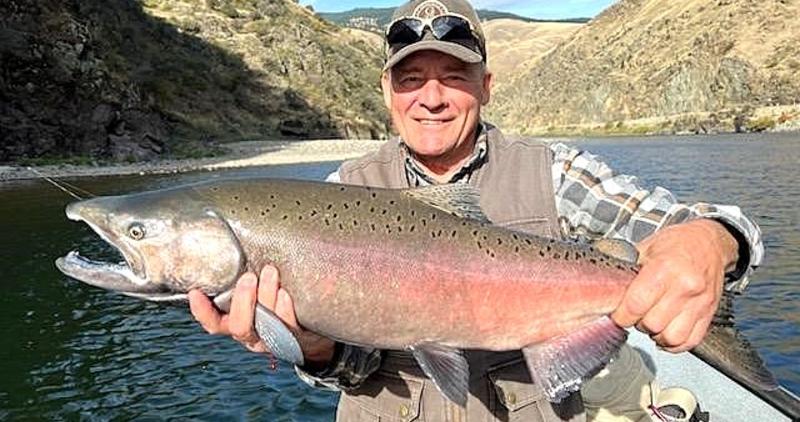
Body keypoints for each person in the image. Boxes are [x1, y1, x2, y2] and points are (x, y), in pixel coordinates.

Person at [188, 0, 764, 420]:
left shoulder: (555, 171)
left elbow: (716, 224)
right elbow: (351, 370)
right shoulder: (341, 192)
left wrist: (714, 241)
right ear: (388, 93)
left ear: (486, 86)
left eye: (454, 78)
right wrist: (312, 349)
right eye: (411, 80)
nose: (431, 98)